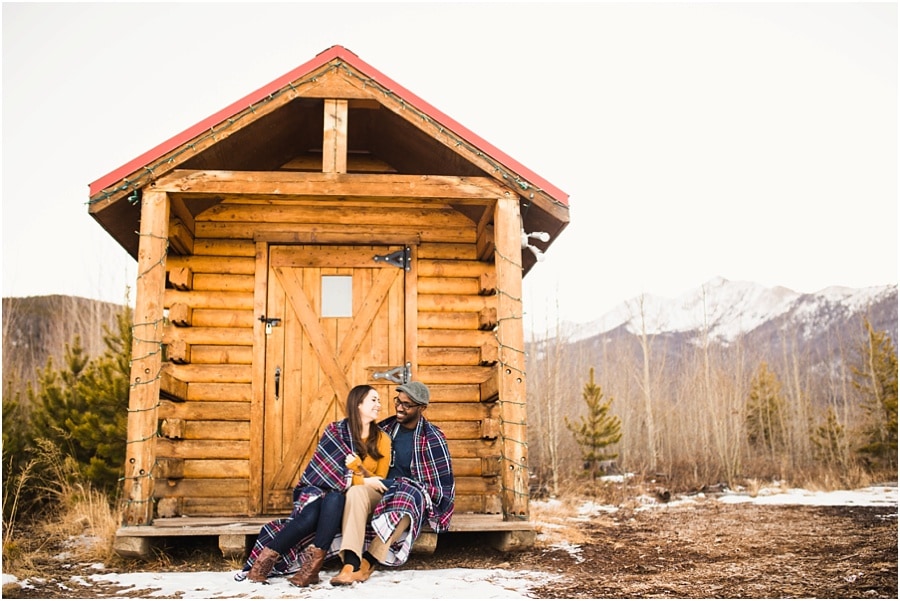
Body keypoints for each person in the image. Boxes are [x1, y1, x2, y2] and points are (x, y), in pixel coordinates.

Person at [236, 384, 391, 587]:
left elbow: (378, 481)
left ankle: (300, 569)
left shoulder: (382, 439)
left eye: (379, 400)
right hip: (321, 492)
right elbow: (323, 470)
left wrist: (357, 469)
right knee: (318, 508)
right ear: (358, 403)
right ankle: (265, 567)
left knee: (335, 498)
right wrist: (357, 477)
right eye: (373, 400)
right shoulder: (335, 431)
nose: (378, 405)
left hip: (354, 500)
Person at [330, 381, 455, 585]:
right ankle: (350, 563)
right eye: (398, 401)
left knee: (408, 494)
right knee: (356, 492)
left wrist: (409, 488)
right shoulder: (384, 429)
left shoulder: (432, 437)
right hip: (382, 489)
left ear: (421, 408)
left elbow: (438, 486)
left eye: (407, 404)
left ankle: (368, 561)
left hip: (412, 498)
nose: (399, 407)